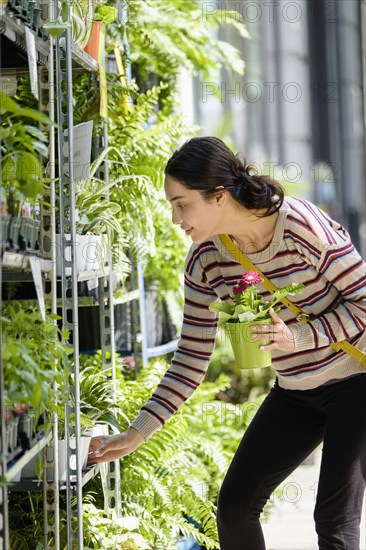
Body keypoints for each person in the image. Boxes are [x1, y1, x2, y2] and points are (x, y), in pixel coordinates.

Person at [88, 136, 366, 550]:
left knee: (332, 519)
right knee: (235, 508)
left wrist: (299, 337)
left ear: (218, 197)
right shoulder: (205, 260)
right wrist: (136, 433)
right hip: (296, 391)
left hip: (355, 382)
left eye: (182, 204)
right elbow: (189, 360)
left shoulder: (301, 226)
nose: (174, 218)